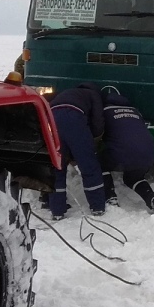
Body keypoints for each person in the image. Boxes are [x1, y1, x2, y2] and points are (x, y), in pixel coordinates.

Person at [46, 82, 108, 220]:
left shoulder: (67, 92)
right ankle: (97, 207)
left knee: (57, 166)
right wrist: (95, 140)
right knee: (88, 164)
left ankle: (57, 210)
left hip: (52, 118)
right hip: (73, 118)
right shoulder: (94, 95)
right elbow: (98, 121)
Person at [100, 90, 154, 214]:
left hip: (123, 153)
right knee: (133, 178)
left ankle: (110, 197)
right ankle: (153, 199)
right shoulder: (135, 111)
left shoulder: (104, 112)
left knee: (98, 164)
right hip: (148, 154)